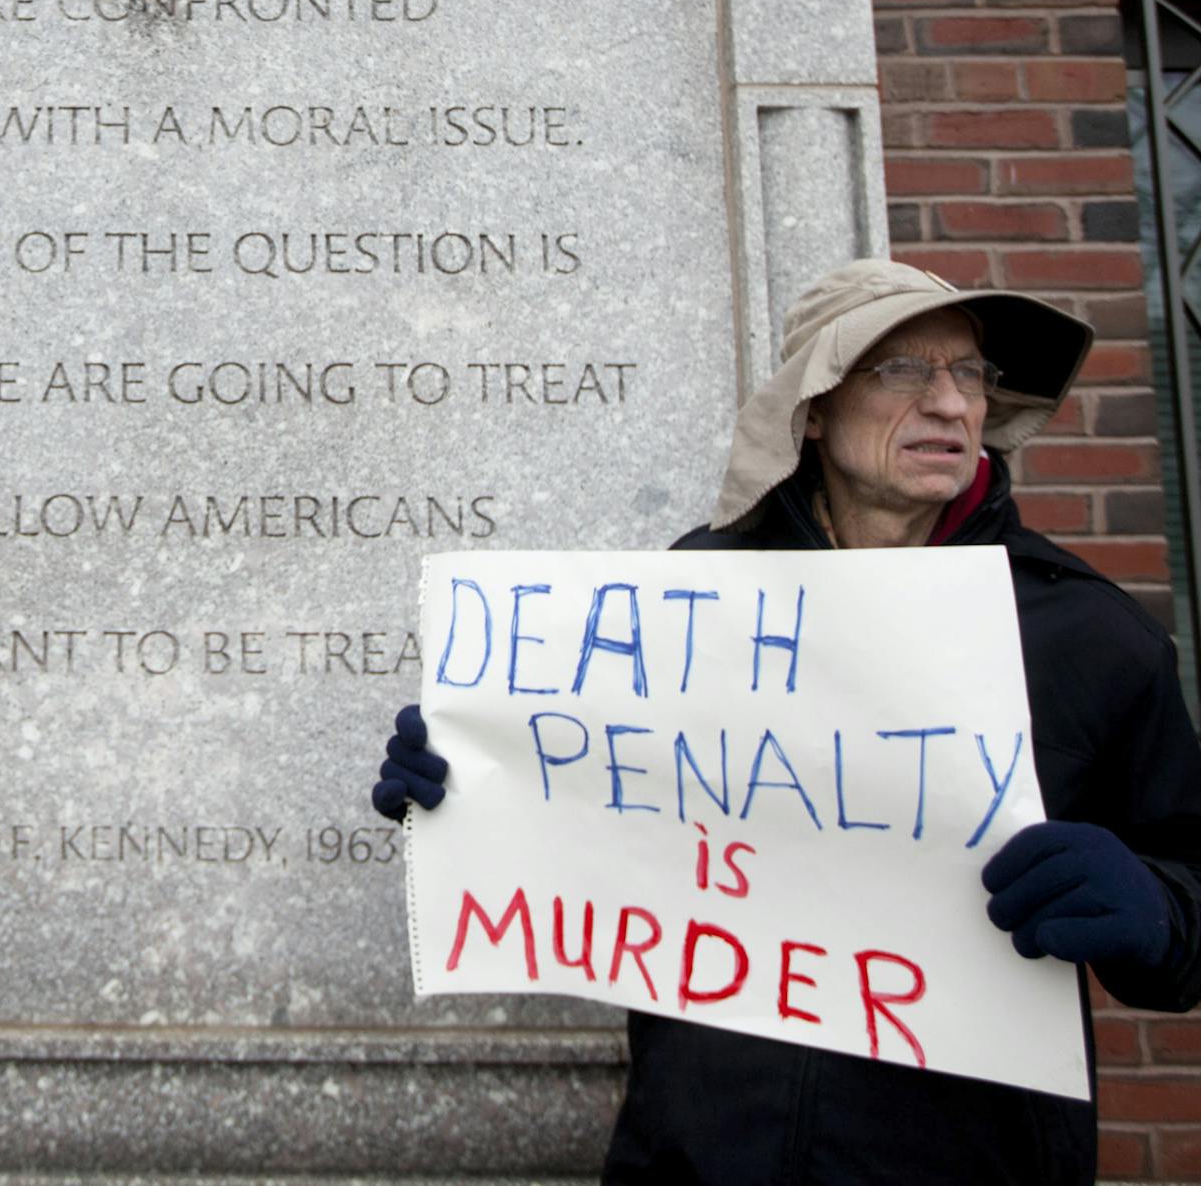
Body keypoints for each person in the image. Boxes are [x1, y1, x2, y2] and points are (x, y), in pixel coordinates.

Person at [373, 258, 1201, 1184]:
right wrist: (478, 786)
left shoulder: (1094, 636)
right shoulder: (686, 602)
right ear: (814, 405)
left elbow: (1189, 911)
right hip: (695, 1158)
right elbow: (611, 829)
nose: (949, 403)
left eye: (968, 373)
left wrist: (1155, 912)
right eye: (901, 370)